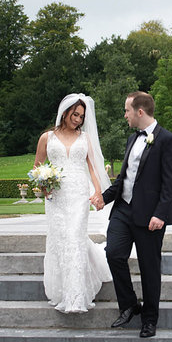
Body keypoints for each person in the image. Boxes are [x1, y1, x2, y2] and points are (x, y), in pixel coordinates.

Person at [102, 91, 172, 338]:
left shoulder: (167, 140)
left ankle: (149, 319)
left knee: (149, 268)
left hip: (150, 218)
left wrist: (160, 214)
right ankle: (129, 305)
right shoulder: (131, 140)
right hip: (123, 211)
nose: (124, 115)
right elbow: (124, 178)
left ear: (140, 112)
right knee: (113, 253)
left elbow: (170, 182)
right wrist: (103, 198)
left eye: (127, 111)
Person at [33, 94, 112, 313]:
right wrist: (44, 185)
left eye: (81, 116)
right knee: (61, 239)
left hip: (79, 193)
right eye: (75, 114)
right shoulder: (47, 137)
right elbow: (37, 168)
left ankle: (76, 297)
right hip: (56, 197)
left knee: (75, 237)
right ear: (65, 112)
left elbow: (94, 168)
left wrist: (97, 191)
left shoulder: (85, 138)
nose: (78, 119)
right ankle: (63, 291)